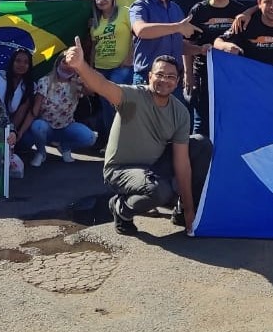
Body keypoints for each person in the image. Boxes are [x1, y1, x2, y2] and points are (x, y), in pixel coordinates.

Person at [63, 42, 212, 236]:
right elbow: (102, 85)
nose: (164, 80)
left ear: (177, 81)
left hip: (153, 167)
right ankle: (121, 208)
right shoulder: (132, 96)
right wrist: (81, 65)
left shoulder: (180, 112)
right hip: (121, 170)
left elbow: (182, 162)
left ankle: (182, 210)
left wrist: (190, 209)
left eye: (170, 77)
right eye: (159, 74)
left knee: (201, 144)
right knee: (159, 191)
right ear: (149, 76)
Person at [184, 0, 248, 135]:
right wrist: (188, 74)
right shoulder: (199, 10)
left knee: (228, 119)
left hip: (231, 75)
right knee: (201, 120)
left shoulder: (239, 11)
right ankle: (199, 159)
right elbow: (185, 45)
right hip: (203, 73)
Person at [129, 0, 200, 86]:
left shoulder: (175, 7)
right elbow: (141, 30)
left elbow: (177, 45)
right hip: (147, 79)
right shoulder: (140, 6)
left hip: (173, 81)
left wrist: (200, 50)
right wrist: (177, 27)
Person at [22, 55, 99, 166]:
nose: (67, 66)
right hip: (46, 127)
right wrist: (20, 132)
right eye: (64, 62)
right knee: (37, 126)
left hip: (66, 126)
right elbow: (34, 110)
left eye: (71, 64)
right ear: (58, 63)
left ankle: (64, 147)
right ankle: (41, 152)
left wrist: (83, 77)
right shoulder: (45, 81)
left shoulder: (76, 84)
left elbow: (92, 91)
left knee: (90, 138)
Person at [90, 0, 134, 137]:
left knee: (117, 104)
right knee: (106, 106)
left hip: (121, 67)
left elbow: (136, 35)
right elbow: (94, 46)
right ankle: (111, 140)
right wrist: (91, 69)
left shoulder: (125, 12)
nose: (102, 0)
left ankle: (125, 139)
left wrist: (130, 57)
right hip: (101, 68)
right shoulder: (95, 21)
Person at [0, 48, 37, 154]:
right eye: (18, 61)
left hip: (8, 125)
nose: (21, 65)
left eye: (26, 62)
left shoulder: (30, 86)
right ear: (12, 62)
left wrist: (12, 132)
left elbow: (20, 113)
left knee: (28, 139)